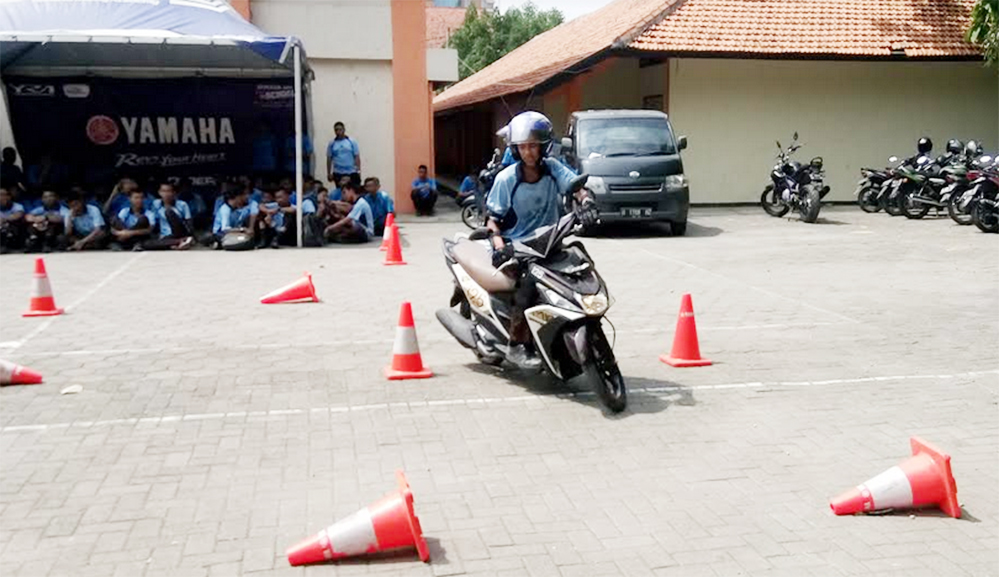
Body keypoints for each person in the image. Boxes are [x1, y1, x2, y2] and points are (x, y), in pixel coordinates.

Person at [485, 111, 596, 369]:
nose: (529, 152)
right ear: (515, 149)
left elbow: (576, 188)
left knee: (580, 265)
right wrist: (499, 247)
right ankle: (516, 345)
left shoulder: (553, 169)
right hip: (519, 248)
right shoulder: (506, 179)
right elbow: (492, 219)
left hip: (551, 241)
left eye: (533, 146)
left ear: (543, 146)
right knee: (527, 286)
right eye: (523, 147)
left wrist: (587, 201)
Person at [145, 182, 195, 251]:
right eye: (163, 191)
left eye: (169, 191)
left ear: (174, 193)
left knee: (169, 212)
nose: (166, 194)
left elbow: (189, 223)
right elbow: (154, 221)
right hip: (166, 235)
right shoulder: (156, 204)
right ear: (159, 192)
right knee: (147, 244)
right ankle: (179, 242)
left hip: (180, 232)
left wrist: (190, 234)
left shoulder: (182, 204)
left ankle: (181, 240)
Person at [326, 122, 361, 186]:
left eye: (340, 129)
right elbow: (329, 158)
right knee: (341, 191)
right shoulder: (332, 143)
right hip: (338, 172)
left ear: (344, 130)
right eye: (336, 130)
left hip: (351, 171)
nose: (338, 131)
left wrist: (358, 171)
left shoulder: (351, 141)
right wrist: (329, 173)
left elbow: (356, 156)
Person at [0, 186, 26, 253]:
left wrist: (4, 219)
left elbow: (18, 215)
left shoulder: (17, 206)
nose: (1, 197)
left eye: (3, 195)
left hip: (14, 229)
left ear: (9, 197)